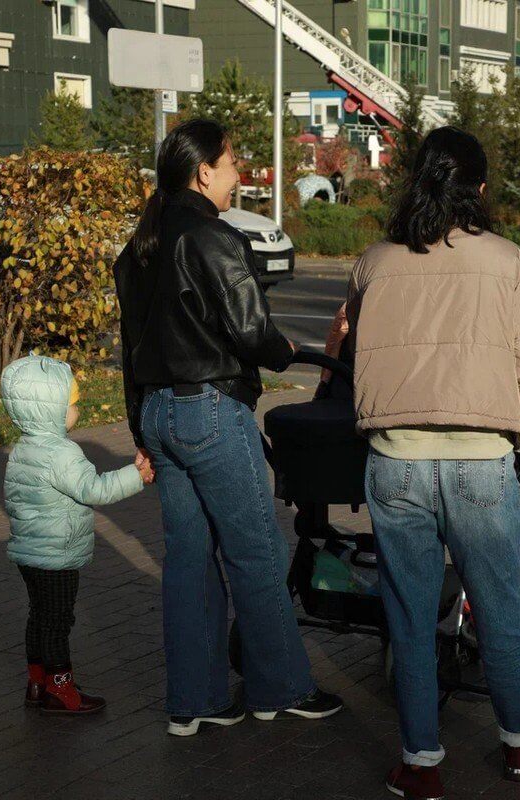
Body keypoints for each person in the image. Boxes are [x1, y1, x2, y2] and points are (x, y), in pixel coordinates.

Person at [345, 127, 520, 799]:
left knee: (410, 617)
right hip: (479, 461)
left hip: (396, 460)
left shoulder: (374, 263)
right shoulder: (510, 263)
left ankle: (421, 762)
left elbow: (354, 349)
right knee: (499, 609)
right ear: (481, 190)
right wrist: (504, 399)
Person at [113, 118, 343, 737]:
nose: (239, 174)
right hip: (211, 412)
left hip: (159, 413)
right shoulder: (214, 238)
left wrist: (142, 430)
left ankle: (194, 701)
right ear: (203, 171)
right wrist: (282, 347)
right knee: (256, 553)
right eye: (233, 162)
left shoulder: (138, 248)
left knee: (187, 560)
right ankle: (281, 688)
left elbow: (131, 349)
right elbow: (251, 331)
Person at [0, 353, 154, 715]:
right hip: (57, 554)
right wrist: (137, 475)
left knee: (39, 616)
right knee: (57, 621)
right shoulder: (62, 453)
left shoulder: (22, 449)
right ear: (50, 409)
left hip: (30, 554)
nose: (77, 411)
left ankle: (36, 682)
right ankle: (60, 688)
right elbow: (95, 490)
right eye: (73, 405)